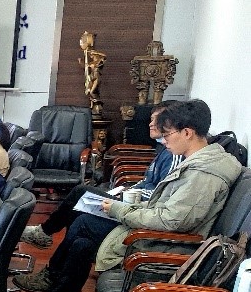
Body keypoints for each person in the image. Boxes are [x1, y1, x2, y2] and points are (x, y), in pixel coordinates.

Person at [15, 99, 241, 292]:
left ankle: (53, 286)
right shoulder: (198, 163)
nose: (164, 141)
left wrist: (120, 209)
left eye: (167, 134)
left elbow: (170, 220)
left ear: (187, 133)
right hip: (156, 232)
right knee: (82, 242)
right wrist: (130, 206)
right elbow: (166, 208)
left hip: (164, 243)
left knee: (83, 223)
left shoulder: (203, 174)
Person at [20, 102, 180, 249]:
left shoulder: (173, 154)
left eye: (156, 120)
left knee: (81, 192)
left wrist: (128, 193)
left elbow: (160, 195)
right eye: (151, 119)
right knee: (78, 211)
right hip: (133, 200)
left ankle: (44, 233)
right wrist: (127, 189)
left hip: (138, 207)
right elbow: (148, 182)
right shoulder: (164, 149)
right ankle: (49, 251)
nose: (151, 124)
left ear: (169, 123)